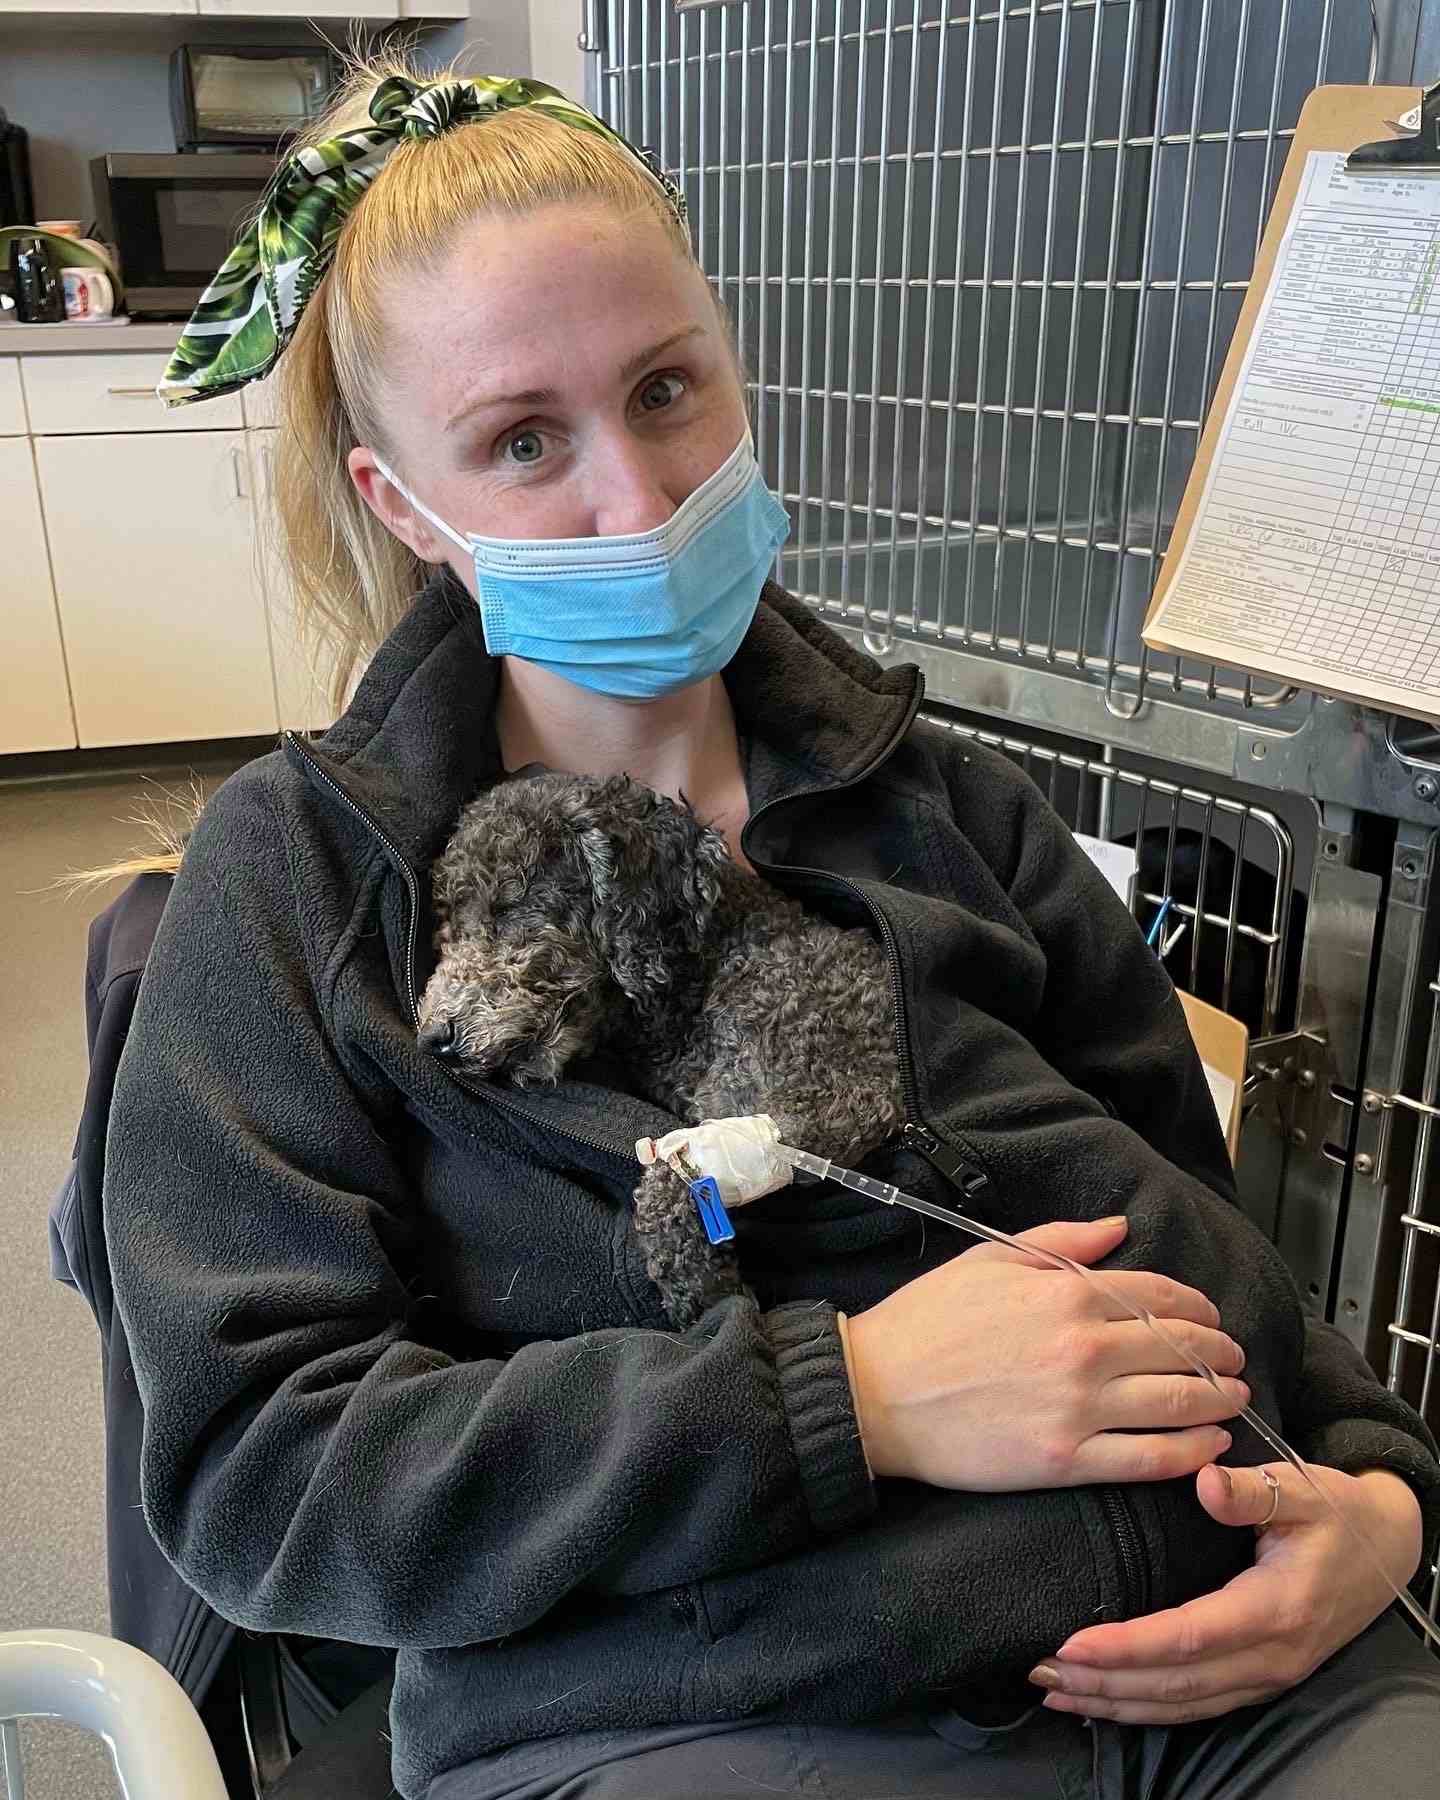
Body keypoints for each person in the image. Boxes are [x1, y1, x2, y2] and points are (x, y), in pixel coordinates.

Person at [104, 54, 1440, 1800]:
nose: (639, 501)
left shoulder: (954, 808)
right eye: (524, 441)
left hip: (1211, 1649)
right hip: (698, 1708)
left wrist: (1380, 1502)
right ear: (401, 506)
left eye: (669, 390)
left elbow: (1200, 1243)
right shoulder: (294, 886)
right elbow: (262, 1479)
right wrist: (854, 1397)